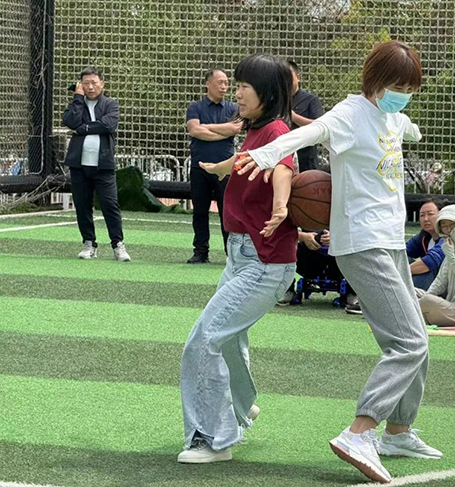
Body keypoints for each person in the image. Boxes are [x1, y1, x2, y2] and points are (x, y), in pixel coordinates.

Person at [236, 41, 441, 484]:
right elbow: (307, 134)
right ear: (375, 81)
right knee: (409, 343)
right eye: (398, 87)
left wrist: (411, 128)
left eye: (410, 90)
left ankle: (398, 432)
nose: (403, 96)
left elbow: (405, 127)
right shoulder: (350, 114)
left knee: (416, 339)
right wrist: (265, 154)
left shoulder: (391, 116)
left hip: (390, 242)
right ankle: (359, 433)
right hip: (362, 244)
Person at [177, 54, 297, 464]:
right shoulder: (256, 130)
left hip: (263, 261)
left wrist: (280, 206)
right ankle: (241, 408)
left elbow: (283, 168)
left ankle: (214, 439)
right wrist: (220, 167)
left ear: (267, 93)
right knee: (227, 341)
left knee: (204, 341)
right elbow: (249, 160)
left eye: (245, 86)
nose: (238, 93)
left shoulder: (277, 131)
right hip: (243, 256)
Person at [63, 66, 130, 262]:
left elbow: (108, 124)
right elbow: (70, 121)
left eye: (94, 83)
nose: (90, 87)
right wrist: (77, 98)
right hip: (79, 165)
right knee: (82, 205)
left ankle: (118, 244)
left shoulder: (110, 104)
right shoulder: (76, 104)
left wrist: (82, 128)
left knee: (110, 204)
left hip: (103, 165)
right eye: (86, 83)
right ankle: (89, 243)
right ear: (80, 85)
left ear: (102, 84)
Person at [186, 69, 242, 263]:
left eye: (226, 83)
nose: (224, 87)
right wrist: (223, 132)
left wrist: (207, 127)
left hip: (225, 168)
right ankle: (200, 251)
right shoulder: (195, 107)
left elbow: (236, 128)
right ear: (208, 84)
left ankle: (230, 253)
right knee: (200, 211)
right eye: (220, 82)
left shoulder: (233, 108)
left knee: (227, 211)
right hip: (199, 166)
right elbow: (195, 130)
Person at [277, 229, 361, 314]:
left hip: (339, 257)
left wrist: (337, 238)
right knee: (282, 242)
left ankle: (353, 293)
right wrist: (303, 236)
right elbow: (282, 231)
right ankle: (287, 290)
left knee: (361, 248)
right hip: (307, 256)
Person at [287, 61, 324, 172]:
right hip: (283, 158)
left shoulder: (310, 100)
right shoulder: (275, 101)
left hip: (306, 160)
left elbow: (321, 126)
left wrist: (295, 118)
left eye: (288, 77)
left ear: (298, 77)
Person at [406, 200, 445, 290]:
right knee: (401, 258)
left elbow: (429, 262)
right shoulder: (424, 236)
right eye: (422, 215)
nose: (426, 219)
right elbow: (402, 250)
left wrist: (399, 272)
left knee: (427, 269)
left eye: (430, 214)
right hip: (431, 282)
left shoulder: (448, 237)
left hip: (446, 285)